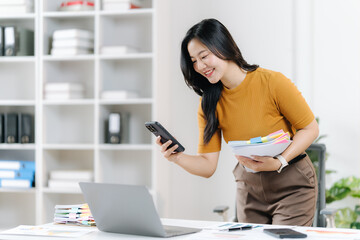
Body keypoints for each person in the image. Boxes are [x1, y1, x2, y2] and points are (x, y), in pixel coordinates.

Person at [156, 18, 319, 226]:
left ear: (223, 46)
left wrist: (279, 161)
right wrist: (176, 158)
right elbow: (207, 166)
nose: (199, 66)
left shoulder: (273, 83)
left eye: (203, 56)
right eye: (194, 61)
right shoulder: (209, 104)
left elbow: (310, 128)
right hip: (250, 188)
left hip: (291, 184)